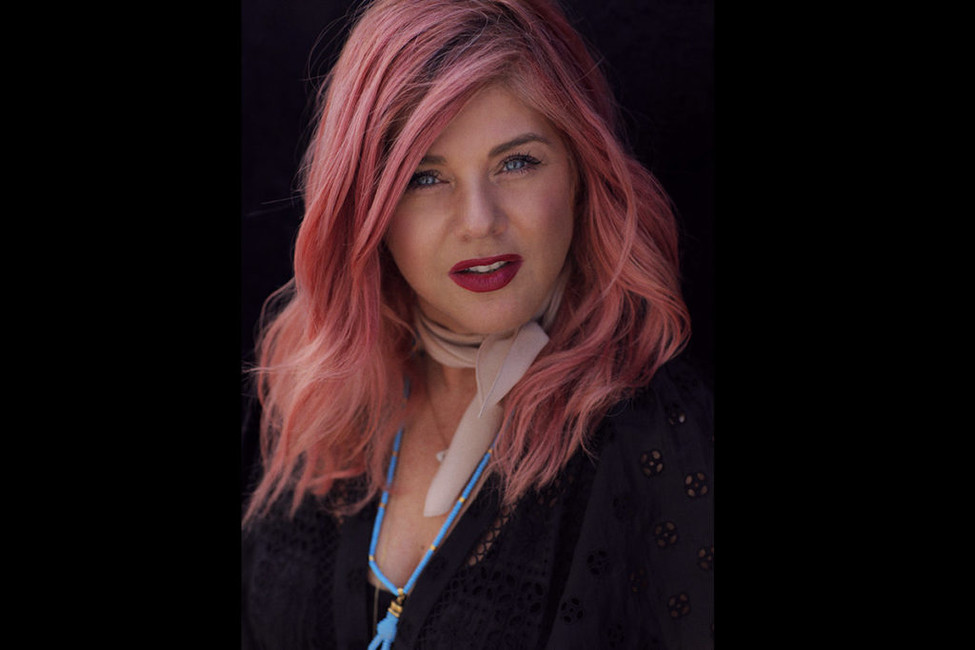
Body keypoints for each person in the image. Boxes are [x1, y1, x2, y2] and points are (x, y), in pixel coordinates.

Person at [241, 0, 713, 648]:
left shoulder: (657, 435)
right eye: (424, 176)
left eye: (516, 162)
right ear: (365, 204)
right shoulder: (310, 393)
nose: (479, 221)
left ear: (582, 172)